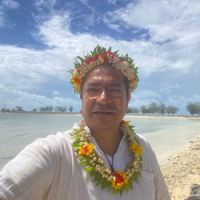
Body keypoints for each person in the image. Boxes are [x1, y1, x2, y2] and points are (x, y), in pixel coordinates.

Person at [0, 45, 171, 200]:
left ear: (127, 99)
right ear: (81, 97)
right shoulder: (54, 152)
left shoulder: (144, 149)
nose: (103, 99)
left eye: (114, 89)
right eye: (93, 89)